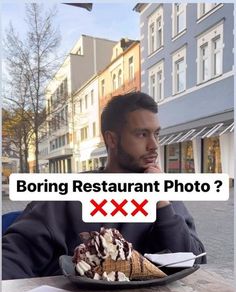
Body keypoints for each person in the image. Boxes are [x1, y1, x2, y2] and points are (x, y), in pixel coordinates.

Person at [2, 92, 206, 279]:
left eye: (156, 134)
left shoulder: (165, 195)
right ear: (112, 139)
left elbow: (196, 261)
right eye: (142, 134)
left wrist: (162, 204)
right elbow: (14, 255)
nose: (154, 145)